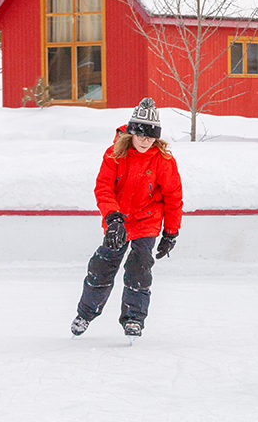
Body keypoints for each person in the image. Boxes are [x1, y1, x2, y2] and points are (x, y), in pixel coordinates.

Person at [71, 97, 184, 339]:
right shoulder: (114, 154)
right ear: (131, 133)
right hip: (119, 222)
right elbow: (103, 188)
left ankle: (134, 318)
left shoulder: (163, 160)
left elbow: (174, 197)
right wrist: (113, 218)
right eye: (142, 135)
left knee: (139, 267)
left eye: (151, 136)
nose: (146, 141)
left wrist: (171, 232)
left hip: (147, 221)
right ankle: (85, 313)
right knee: (102, 265)